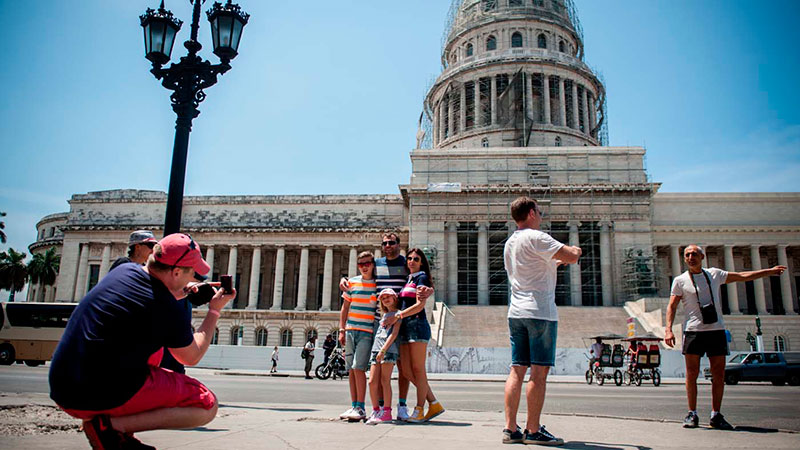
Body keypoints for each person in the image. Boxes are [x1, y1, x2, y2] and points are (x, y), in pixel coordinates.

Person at [49, 233, 236, 450]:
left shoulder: (123, 270)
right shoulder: (166, 308)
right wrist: (214, 310)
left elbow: (146, 293)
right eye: (191, 273)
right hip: (92, 396)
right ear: (176, 272)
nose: (193, 277)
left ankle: (119, 436)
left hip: (62, 386)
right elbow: (191, 356)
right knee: (206, 404)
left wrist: (181, 292)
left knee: (150, 350)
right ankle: (111, 428)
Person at [665, 244, 786, 430]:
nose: (691, 257)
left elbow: (742, 276)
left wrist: (768, 272)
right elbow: (671, 306)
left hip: (716, 330)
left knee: (719, 374)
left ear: (702, 256)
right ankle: (692, 413)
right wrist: (668, 330)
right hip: (693, 331)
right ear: (684, 258)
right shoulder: (680, 280)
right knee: (691, 374)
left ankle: (716, 414)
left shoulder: (714, 274)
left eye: (694, 254)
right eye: (687, 254)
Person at [502, 196, 581, 445]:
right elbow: (571, 255)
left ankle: (510, 429)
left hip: (516, 312)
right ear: (532, 213)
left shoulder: (510, 242)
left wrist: (552, 263)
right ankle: (533, 430)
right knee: (539, 373)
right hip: (540, 312)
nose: (542, 215)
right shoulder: (537, 237)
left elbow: (533, 267)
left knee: (517, 370)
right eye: (540, 211)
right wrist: (576, 250)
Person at [339, 234, 433, 421]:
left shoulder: (407, 263)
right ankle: (382, 407)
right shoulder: (378, 263)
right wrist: (345, 278)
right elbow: (364, 275)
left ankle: (403, 405)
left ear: (399, 244)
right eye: (385, 243)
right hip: (379, 320)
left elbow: (420, 278)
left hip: (401, 318)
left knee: (402, 366)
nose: (388, 245)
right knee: (380, 367)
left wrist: (430, 289)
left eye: (391, 242)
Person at [384, 247, 444, 423]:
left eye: (416, 259)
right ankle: (433, 402)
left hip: (417, 324)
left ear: (422, 262)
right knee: (406, 370)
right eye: (409, 258)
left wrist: (399, 315)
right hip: (404, 327)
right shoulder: (409, 278)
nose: (411, 261)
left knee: (418, 369)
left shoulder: (422, 277)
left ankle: (420, 409)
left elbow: (419, 305)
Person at [338, 251, 378, 421]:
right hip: (350, 330)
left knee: (358, 368)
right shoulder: (352, 283)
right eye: (361, 264)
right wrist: (341, 329)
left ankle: (361, 407)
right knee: (351, 370)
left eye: (367, 263)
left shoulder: (378, 284)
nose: (364, 267)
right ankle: (354, 405)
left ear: (373, 264)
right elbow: (345, 308)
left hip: (367, 331)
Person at [365, 288, 402, 425]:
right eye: (383, 298)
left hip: (388, 350)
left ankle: (386, 411)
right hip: (376, 350)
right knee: (372, 381)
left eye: (388, 297)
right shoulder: (384, 315)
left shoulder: (398, 314)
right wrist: (377, 350)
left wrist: (383, 350)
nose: (385, 299)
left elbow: (394, 333)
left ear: (394, 298)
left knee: (385, 381)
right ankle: (376, 409)